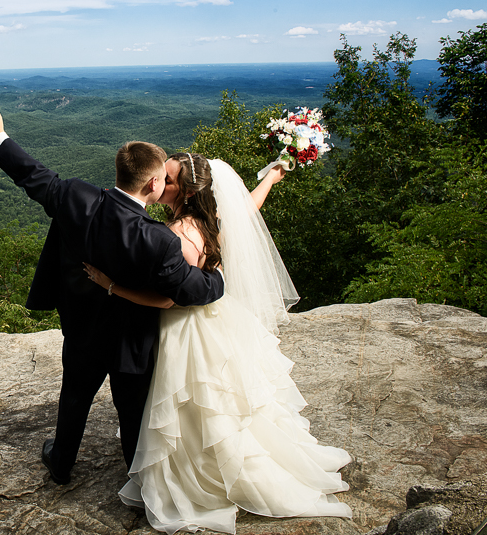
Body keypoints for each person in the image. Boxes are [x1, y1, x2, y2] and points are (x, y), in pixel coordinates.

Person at [84, 152, 352, 534]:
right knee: (226, 399)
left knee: (193, 400)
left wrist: (111, 286)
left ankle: (202, 472)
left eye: (170, 179)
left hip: (186, 327)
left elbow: (168, 299)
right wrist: (272, 177)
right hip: (220, 319)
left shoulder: (178, 235)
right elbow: (249, 206)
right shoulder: (214, 218)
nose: (160, 180)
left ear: (188, 192)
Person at [0, 111, 225, 486]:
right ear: (155, 182)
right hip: (132, 342)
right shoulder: (160, 240)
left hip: (82, 329)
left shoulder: (76, 196)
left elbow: (32, 176)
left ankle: (61, 461)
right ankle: (139, 483)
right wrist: (219, 280)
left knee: (74, 397)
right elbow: (191, 290)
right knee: (131, 414)